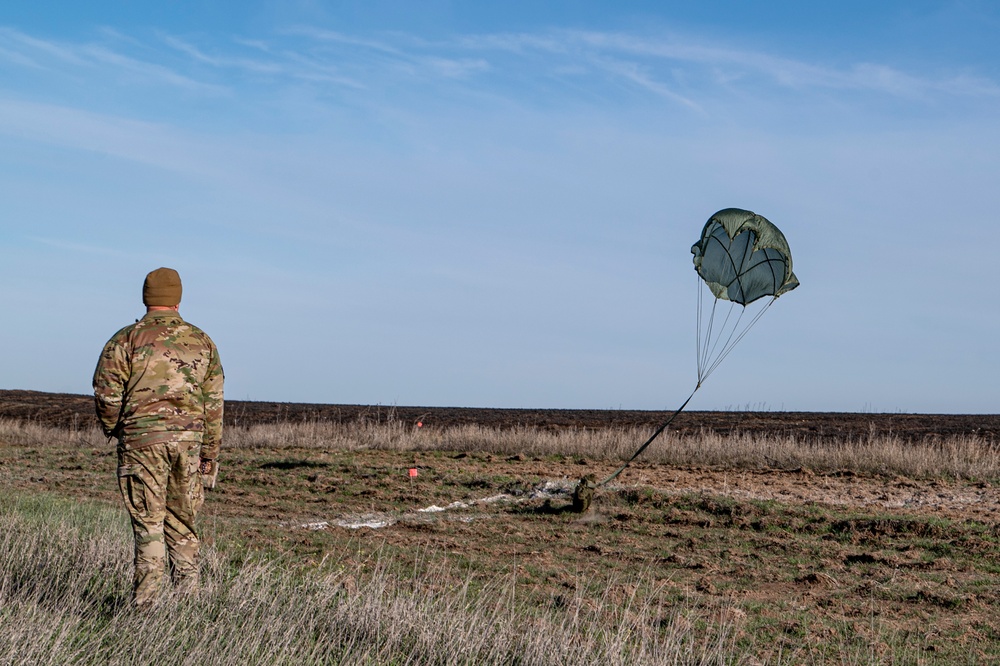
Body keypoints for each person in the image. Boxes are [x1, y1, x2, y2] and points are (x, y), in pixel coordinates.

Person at [93, 267, 224, 607]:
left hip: (142, 443)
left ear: (145, 297)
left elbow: (106, 394)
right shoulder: (203, 341)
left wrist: (117, 428)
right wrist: (209, 452)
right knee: (183, 522)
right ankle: (187, 604)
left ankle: (146, 607)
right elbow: (214, 402)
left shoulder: (125, 339)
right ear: (178, 299)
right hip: (190, 444)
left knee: (148, 523)